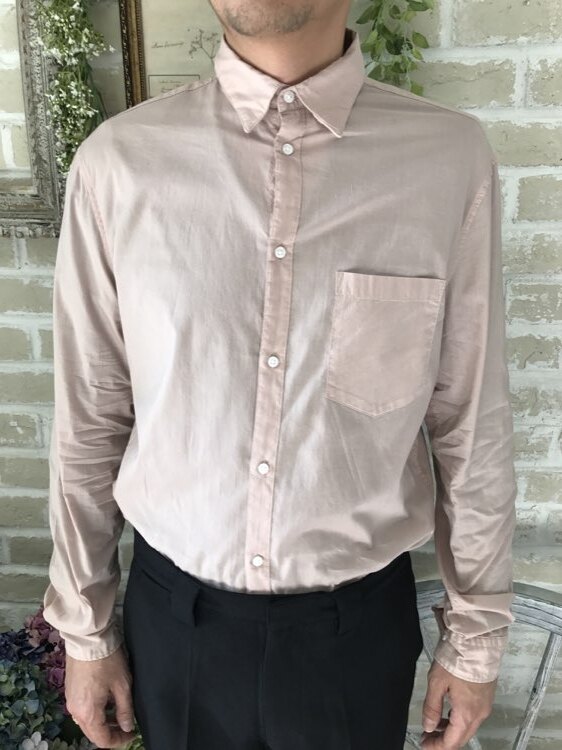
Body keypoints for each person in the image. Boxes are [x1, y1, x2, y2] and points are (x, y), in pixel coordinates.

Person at [42, 1, 518, 749]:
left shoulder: (446, 163)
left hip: (355, 637)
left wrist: (476, 640)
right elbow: (90, 418)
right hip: (176, 628)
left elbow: (470, 419)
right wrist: (85, 630)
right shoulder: (119, 164)